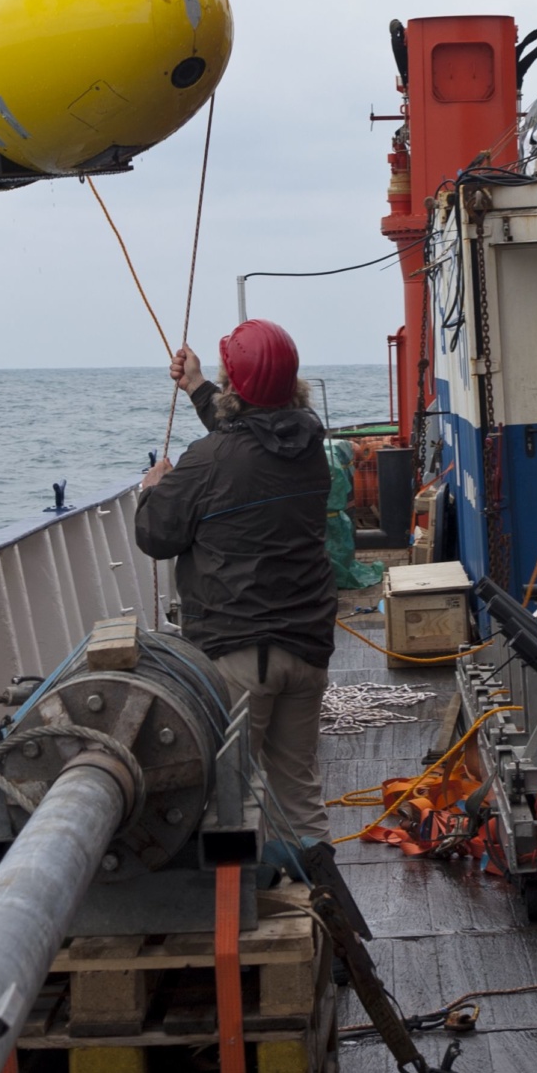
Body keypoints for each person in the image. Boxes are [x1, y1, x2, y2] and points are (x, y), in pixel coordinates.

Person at [135, 318, 336, 841]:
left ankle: (238, 916)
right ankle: (316, 900)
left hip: (238, 656)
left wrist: (153, 490)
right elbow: (250, 441)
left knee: (227, 797)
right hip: (307, 648)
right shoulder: (310, 447)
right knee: (299, 791)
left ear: (235, 387)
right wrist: (197, 386)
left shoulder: (207, 461)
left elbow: (156, 536)